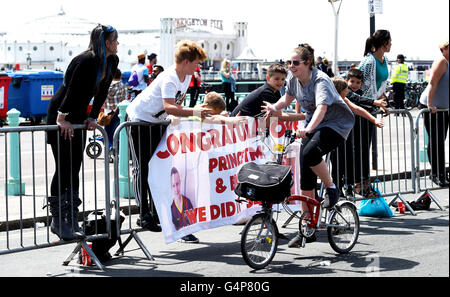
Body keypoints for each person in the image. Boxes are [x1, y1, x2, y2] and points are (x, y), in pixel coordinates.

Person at [262, 43, 354, 247]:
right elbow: (286, 99)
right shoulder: (294, 80)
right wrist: (273, 107)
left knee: (311, 152)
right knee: (305, 173)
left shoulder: (320, 80)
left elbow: (321, 109)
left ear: (308, 63)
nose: (291, 66)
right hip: (315, 125)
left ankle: (331, 187)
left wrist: (307, 129)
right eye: (289, 63)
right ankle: (307, 227)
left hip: (336, 125)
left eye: (295, 63)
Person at [126, 40, 209, 237]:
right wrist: (194, 113)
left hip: (156, 122)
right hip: (139, 120)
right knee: (142, 167)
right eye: (196, 63)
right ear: (186, 62)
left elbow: (174, 106)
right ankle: (143, 213)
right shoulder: (171, 77)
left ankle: (155, 211)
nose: (197, 67)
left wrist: (177, 115)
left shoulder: (185, 77)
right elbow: (170, 105)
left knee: (158, 167)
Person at [46, 24, 119, 241]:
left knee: (75, 167)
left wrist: (92, 117)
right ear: (106, 42)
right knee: (64, 167)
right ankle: (58, 221)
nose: (117, 43)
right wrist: (62, 118)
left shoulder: (111, 61)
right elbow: (72, 88)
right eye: (115, 40)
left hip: (78, 117)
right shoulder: (86, 60)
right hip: (62, 112)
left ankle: (71, 218)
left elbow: (102, 91)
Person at [330, 76, 384, 197]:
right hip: (334, 136)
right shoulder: (331, 99)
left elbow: (357, 109)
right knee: (337, 163)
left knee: (348, 160)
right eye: (346, 89)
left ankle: (348, 186)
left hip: (346, 135)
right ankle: (337, 187)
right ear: (340, 90)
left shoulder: (344, 99)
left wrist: (373, 120)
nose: (348, 91)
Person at [357, 29, 391, 195]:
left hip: (371, 107)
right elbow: (364, 89)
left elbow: (381, 85)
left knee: (366, 148)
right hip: (362, 109)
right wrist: (374, 103)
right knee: (361, 148)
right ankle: (360, 185)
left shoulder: (384, 60)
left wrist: (382, 103)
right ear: (384, 43)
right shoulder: (369, 62)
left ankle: (364, 184)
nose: (392, 44)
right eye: (390, 41)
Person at [419, 39, 449, 187]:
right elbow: (433, 83)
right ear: (444, 49)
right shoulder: (442, 62)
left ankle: (442, 173)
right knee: (436, 141)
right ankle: (437, 174)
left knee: (441, 141)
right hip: (432, 107)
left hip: (444, 108)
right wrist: (430, 105)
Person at [169, 167, 199, 243]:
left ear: (180, 182)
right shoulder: (170, 206)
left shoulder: (187, 202)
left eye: (177, 184)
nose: (176, 188)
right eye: (173, 185)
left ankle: (186, 233)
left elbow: (192, 220)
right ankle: (180, 234)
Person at [103, 68, 127, 158]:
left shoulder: (106, 86)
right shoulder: (122, 86)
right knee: (117, 132)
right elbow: (125, 100)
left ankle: (109, 149)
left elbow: (102, 99)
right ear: (120, 76)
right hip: (119, 112)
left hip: (107, 112)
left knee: (107, 133)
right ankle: (117, 152)